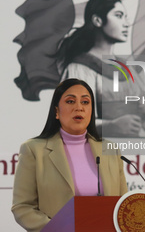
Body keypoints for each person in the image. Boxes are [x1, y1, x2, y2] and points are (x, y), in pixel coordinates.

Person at [56, 0, 145, 137]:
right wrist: (110, 126)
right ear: (98, 20)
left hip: (132, 155)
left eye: (125, 17)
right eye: (118, 15)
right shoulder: (79, 69)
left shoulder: (128, 69)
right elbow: (71, 122)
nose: (126, 23)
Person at [11, 79, 128, 232]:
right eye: (71, 101)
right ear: (56, 112)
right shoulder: (34, 150)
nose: (79, 107)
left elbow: (124, 204)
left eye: (85, 102)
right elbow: (23, 207)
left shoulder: (110, 149)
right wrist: (59, 228)